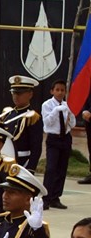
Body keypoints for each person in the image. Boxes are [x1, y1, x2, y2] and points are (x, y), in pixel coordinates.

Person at [41, 79, 74, 210]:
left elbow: (73, 124)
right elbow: (47, 122)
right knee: (51, 169)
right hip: (53, 139)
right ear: (52, 91)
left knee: (62, 169)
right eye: (57, 90)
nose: (60, 92)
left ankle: (55, 197)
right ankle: (46, 198)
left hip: (65, 138)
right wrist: (56, 111)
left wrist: (70, 114)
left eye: (62, 90)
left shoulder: (67, 105)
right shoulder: (47, 105)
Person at [0, 75, 42, 172]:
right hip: (5, 161)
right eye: (14, 93)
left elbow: (36, 148)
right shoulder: (7, 114)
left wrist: (30, 169)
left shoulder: (32, 117)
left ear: (30, 94)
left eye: (20, 93)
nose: (16, 96)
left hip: (21, 163)